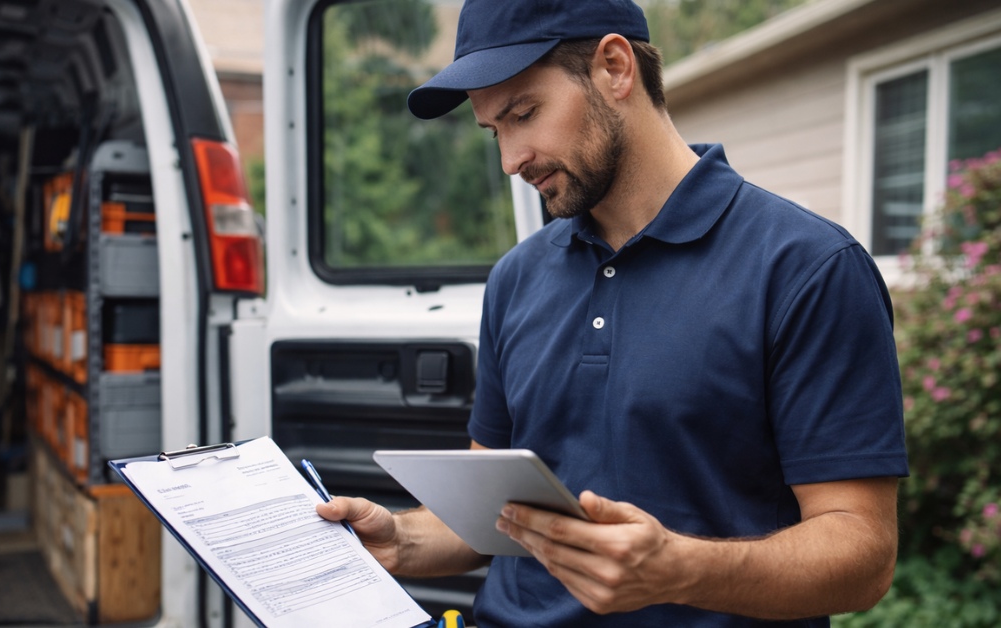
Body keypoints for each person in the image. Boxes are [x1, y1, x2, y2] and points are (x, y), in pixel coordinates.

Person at [317, 0, 909, 626]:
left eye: (524, 113)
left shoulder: (807, 267)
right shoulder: (516, 278)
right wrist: (400, 540)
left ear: (615, 67)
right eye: (496, 130)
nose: (510, 160)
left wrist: (681, 568)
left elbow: (862, 554)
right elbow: (498, 516)